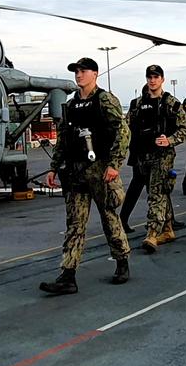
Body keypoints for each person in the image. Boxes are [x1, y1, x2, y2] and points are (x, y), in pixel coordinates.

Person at [40, 57, 131, 295]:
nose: (79, 75)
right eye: (76, 72)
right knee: (75, 225)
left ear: (95, 74)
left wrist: (114, 164)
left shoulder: (105, 100)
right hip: (76, 173)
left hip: (101, 170)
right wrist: (53, 167)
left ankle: (122, 262)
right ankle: (68, 275)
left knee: (109, 218)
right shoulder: (70, 106)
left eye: (83, 71)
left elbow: (123, 132)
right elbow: (63, 139)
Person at [123, 65, 186, 253]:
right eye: (149, 77)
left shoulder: (171, 103)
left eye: (156, 77)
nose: (152, 80)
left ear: (162, 79)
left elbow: (184, 129)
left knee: (156, 193)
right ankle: (167, 229)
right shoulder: (136, 105)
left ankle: (152, 234)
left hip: (162, 156)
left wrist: (170, 140)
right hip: (142, 156)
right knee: (161, 193)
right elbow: (125, 129)